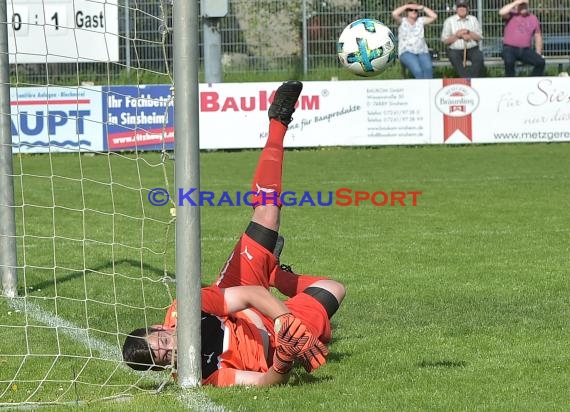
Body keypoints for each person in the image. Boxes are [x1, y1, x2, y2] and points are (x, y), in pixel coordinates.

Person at [122, 81, 346, 387]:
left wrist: (286, 321)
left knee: (268, 212)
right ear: (165, 368)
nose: (171, 348)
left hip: (244, 291)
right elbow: (264, 381)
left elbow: (251, 295)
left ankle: (279, 121)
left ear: (158, 326)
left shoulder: (187, 308)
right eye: (164, 357)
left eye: (162, 340)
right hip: (271, 338)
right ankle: (277, 276)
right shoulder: (198, 375)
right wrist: (282, 362)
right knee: (335, 288)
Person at [391, 2, 438, 79]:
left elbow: (434, 16)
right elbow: (394, 14)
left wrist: (422, 7)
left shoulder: (421, 21)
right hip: (406, 52)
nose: (413, 11)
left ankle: (428, 89)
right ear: (407, 12)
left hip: (422, 51)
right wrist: (406, 6)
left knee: (428, 68)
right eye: (410, 10)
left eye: (416, 10)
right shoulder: (402, 21)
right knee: (417, 70)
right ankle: (421, 88)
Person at [499, 0, 545, 77]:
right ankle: (510, 83)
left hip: (525, 50)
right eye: (521, 5)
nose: (523, 7)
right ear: (517, 6)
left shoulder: (533, 18)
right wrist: (516, 2)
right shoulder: (511, 15)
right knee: (509, 62)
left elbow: (538, 35)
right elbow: (501, 12)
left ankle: (532, 82)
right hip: (510, 48)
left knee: (540, 62)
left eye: (525, 5)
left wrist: (538, 52)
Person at [440, 0, 485, 78]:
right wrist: (457, 36)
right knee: (454, 58)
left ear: (468, 8)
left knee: (479, 57)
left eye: (464, 6)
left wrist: (469, 33)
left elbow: (479, 37)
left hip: (472, 48)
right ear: (456, 9)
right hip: (455, 50)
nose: (462, 9)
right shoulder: (449, 21)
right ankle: (465, 78)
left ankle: (470, 78)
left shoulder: (473, 19)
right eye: (459, 7)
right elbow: (445, 41)